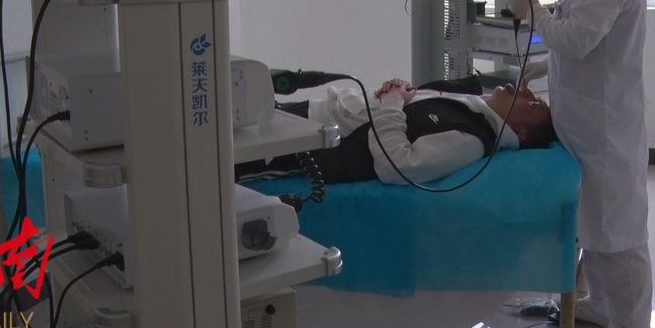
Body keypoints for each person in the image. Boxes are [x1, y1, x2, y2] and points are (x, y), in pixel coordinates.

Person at [505, 0, 653, 328]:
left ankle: (631, 323)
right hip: (586, 122)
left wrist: (533, 11)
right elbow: (582, 40)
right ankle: (603, 306)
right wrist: (541, 67)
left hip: (606, 128)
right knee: (593, 224)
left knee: (617, 234)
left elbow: (576, 39)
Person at [236, 78, 557, 185]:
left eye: (533, 104)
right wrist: (398, 89)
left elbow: (397, 165)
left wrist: (392, 100)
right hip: (310, 113)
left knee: (216, 164)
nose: (526, 91)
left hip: (312, 146)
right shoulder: (472, 103)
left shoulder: (472, 140)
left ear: (520, 133)